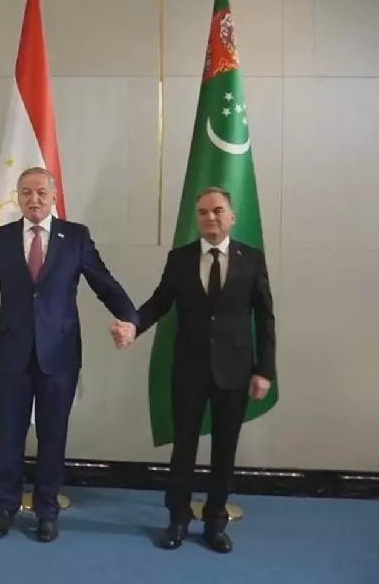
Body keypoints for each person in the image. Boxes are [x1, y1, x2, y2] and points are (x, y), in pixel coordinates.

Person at [0, 166, 136, 542]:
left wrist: (130, 318)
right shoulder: (0, 238)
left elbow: (104, 283)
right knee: (10, 436)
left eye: (40, 192)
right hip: (12, 352)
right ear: (18, 197)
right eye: (26, 192)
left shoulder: (76, 237)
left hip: (59, 353)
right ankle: (4, 507)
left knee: (53, 437)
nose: (33, 199)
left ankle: (46, 512)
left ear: (54, 197)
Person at [111, 186, 275, 554]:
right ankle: (178, 519)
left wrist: (264, 370)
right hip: (189, 369)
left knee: (224, 451)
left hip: (235, 370)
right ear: (196, 218)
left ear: (232, 216)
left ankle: (215, 522)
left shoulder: (251, 259)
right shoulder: (180, 258)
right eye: (202, 212)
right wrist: (133, 326)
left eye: (217, 211)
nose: (210, 217)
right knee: (183, 448)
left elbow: (265, 318)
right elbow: (159, 302)